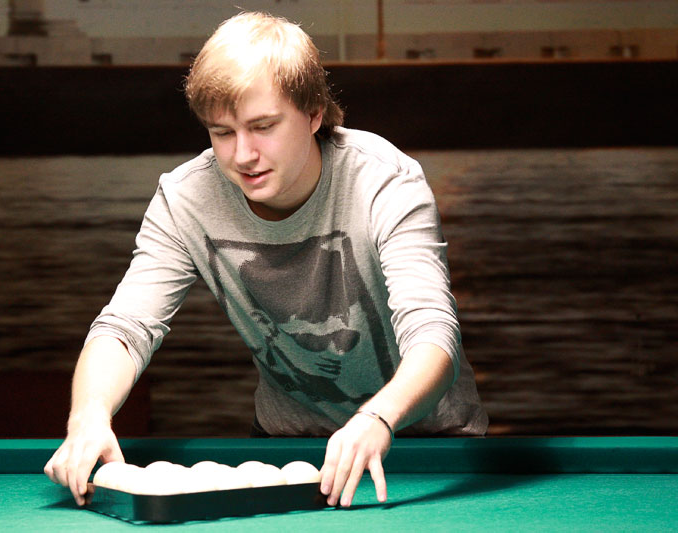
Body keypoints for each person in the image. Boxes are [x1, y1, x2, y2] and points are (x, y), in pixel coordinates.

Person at [44, 11, 488, 509]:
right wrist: (88, 417)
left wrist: (376, 417)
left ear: (314, 113)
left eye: (263, 127)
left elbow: (433, 332)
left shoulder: (386, 181)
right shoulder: (185, 198)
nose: (242, 155)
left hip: (430, 447)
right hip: (285, 453)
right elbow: (125, 326)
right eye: (222, 132)